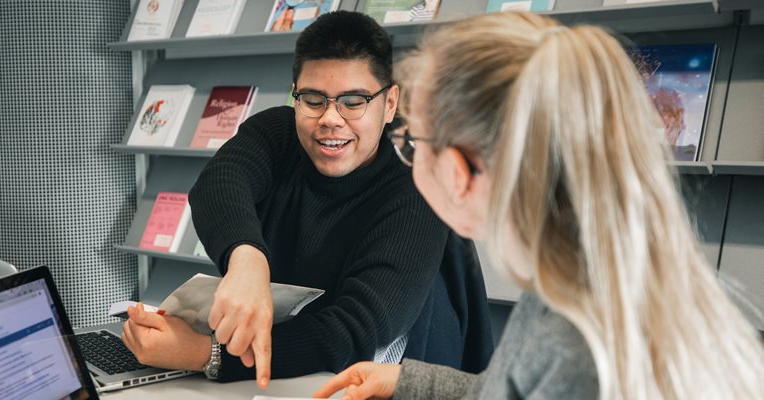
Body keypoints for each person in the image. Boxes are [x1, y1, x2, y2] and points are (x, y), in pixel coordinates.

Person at [315, 11, 764, 400]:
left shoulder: (580, 349)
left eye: (412, 142)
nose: (406, 153)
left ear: (457, 172)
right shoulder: (580, 276)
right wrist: (407, 381)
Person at [120, 10, 493, 388]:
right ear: (295, 94)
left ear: (390, 103)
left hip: (376, 377)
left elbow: (351, 333)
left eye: (354, 101)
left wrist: (203, 353)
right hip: (288, 371)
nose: (330, 118)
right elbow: (218, 184)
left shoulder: (419, 179)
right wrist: (247, 261)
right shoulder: (278, 133)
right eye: (313, 99)